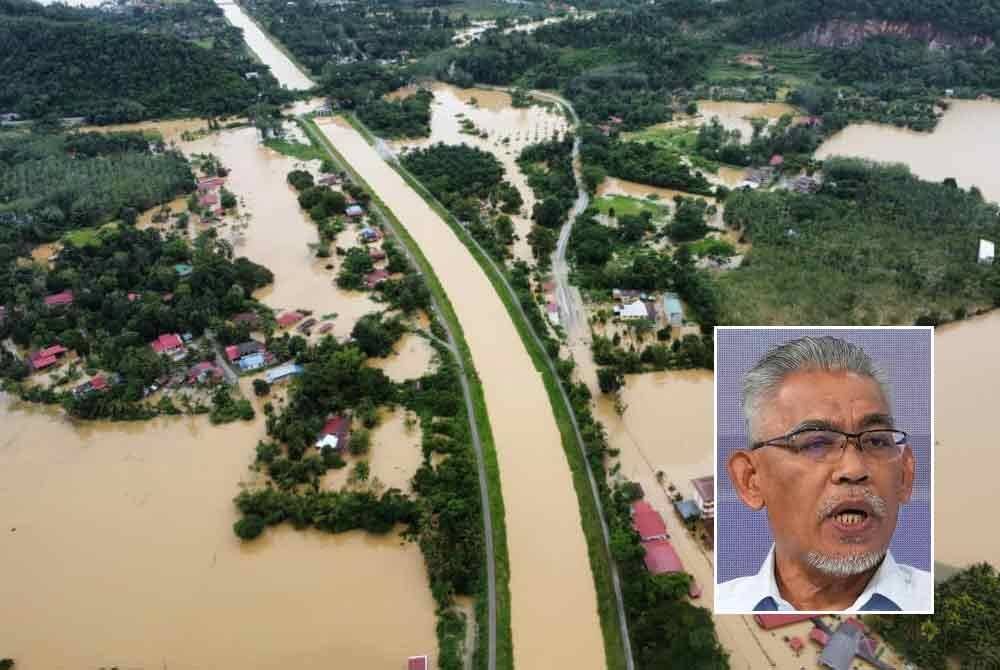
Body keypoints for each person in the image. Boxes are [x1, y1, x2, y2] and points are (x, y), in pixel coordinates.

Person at [717, 335, 932, 612]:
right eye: (816, 443)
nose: (854, 469)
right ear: (750, 480)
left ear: (905, 474)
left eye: (877, 441)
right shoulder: (726, 602)